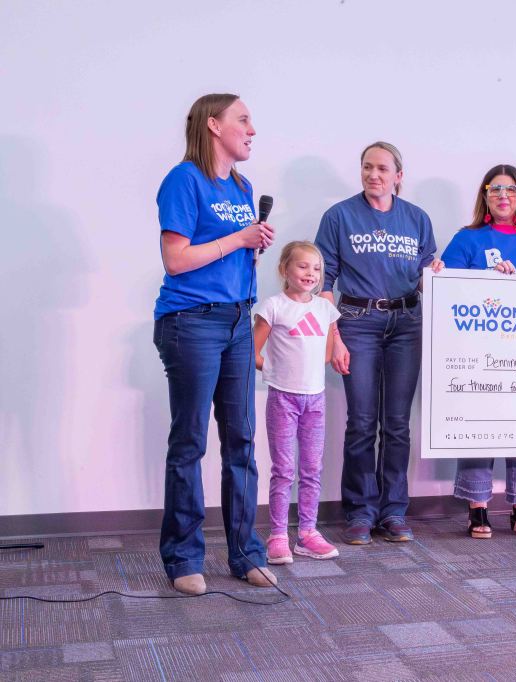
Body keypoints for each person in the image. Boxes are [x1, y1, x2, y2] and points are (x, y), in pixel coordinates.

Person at [153, 93, 276, 595]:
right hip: (191, 322)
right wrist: (239, 240)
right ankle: (184, 558)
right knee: (190, 442)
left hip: (237, 321)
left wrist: (252, 244)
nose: (252, 129)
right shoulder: (184, 180)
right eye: (243, 119)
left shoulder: (242, 186)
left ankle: (246, 553)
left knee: (242, 441)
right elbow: (176, 259)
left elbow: (230, 254)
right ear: (213, 125)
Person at [314, 141, 442, 545]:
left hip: (406, 324)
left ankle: (394, 510)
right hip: (357, 323)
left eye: (383, 169)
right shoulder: (339, 217)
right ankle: (360, 510)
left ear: (398, 176)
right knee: (362, 421)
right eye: (367, 167)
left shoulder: (417, 218)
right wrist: (333, 337)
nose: (374, 175)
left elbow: (425, 277)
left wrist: (438, 276)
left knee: (398, 423)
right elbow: (323, 282)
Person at [440, 164, 516, 539]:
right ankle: (477, 506)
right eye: (495, 189)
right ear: (485, 196)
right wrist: (487, 282)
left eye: (511, 189)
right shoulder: (467, 239)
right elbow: (447, 290)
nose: (503, 195)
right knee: (479, 425)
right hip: (479, 351)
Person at [253, 241, 341, 564]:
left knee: (312, 468)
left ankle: (307, 533)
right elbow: (251, 352)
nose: (310, 273)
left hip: (315, 399)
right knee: (284, 469)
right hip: (283, 398)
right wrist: (275, 371)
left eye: (316, 268)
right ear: (284, 269)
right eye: (302, 266)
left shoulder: (325, 309)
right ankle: (278, 535)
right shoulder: (273, 307)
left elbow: (328, 354)